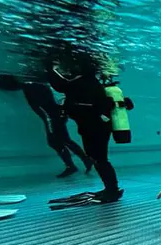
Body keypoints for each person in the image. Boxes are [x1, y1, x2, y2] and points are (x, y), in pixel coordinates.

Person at [0, 74, 93, 178]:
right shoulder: (39, 84)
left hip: (50, 117)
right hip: (55, 115)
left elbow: (10, 86)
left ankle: (74, 165)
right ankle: (82, 161)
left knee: (56, 141)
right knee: (64, 140)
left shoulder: (29, 84)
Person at [48, 57, 122, 203]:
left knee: (100, 159)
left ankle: (112, 190)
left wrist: (50, 68)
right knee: (99, 159)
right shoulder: (91, 82)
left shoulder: (82, 81)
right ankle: (111, 188)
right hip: (96, 126)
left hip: (95, 127)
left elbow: (61, 85)